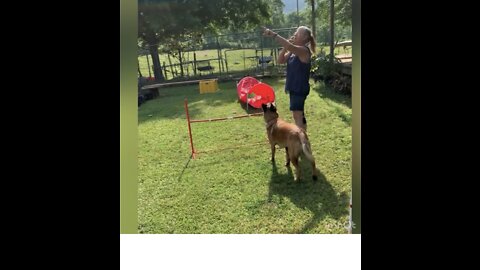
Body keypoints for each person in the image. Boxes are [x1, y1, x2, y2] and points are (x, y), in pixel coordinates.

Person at [262, 26, 316, 131]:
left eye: (298, 33)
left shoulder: (304, 50)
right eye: (295, 32)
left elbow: (290, 46)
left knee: (298, 115)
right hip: (294, 87)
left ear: (304, 37)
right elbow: (280, 60)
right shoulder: (293, 51)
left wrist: (273, 35)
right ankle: (302, 138)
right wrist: (286, 47)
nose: (295, 34)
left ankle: (301, 141)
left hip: (299, 88)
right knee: (298, 114)